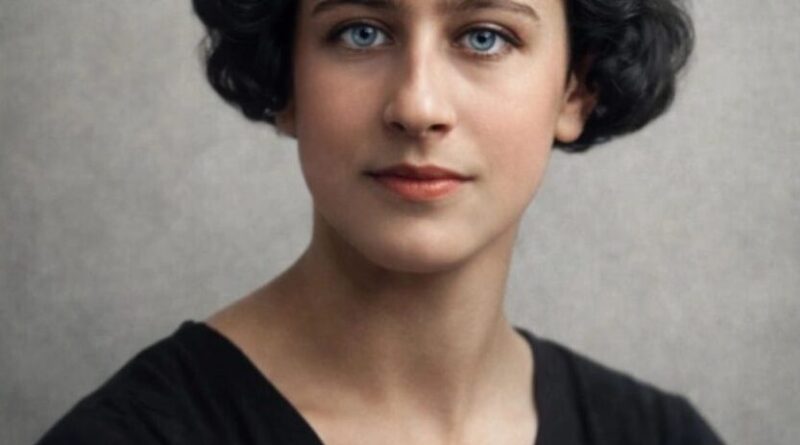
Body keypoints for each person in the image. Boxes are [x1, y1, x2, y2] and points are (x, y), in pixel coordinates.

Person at [37, 0, 725, 443]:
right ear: (286, 78)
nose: (418, 105)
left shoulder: (662, 435)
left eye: (484, 36)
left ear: (577, 88)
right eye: (360, 32)